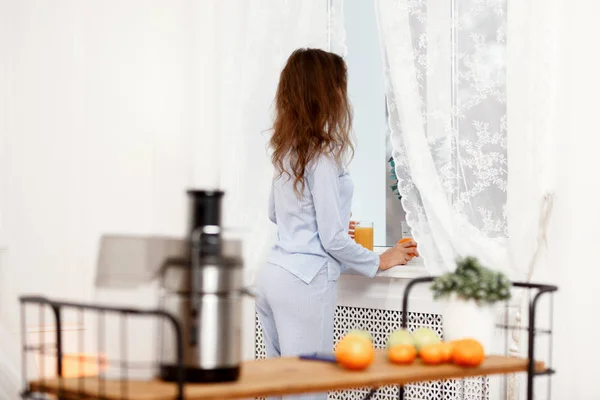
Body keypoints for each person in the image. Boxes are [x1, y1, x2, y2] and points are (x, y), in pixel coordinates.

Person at [255, 48, 418, 400]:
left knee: (277, 388)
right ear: (328, 93)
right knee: (309, 391)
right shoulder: (323, 157)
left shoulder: (287, 151)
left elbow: (275, 213)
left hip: (273, 277)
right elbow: (331, 238)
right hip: (304, 283)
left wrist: (322, 225)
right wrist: (380, 259)